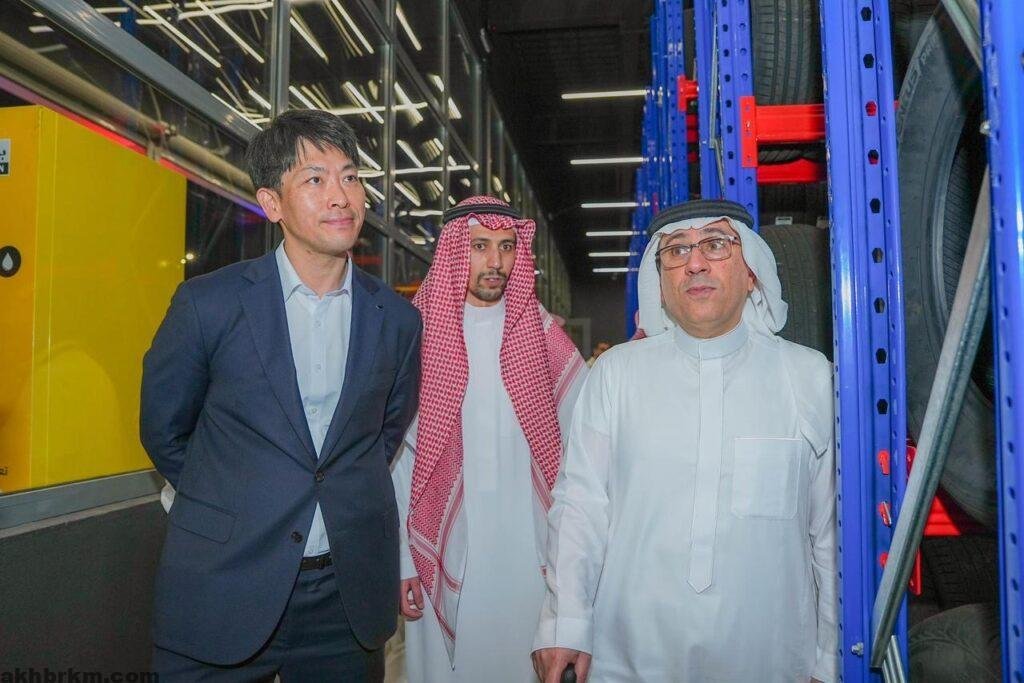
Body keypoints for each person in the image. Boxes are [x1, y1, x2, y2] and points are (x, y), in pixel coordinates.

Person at [141, 109, 422, 680]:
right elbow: (164, 430)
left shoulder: (396, 320)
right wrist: (233, 497)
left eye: (350, 177)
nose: (341, 196)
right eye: (315, 179)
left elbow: (382, 435)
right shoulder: (209, 305)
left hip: (344, 597)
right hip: (225, 579)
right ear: (272, 204)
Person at [532, 199, 838, 682]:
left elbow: (830, 533)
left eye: (715, 244)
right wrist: (565, 622)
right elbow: (580, 507)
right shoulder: (616, 374)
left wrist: (830, 657)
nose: (695, 263)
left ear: (752, 273)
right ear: (660, 281)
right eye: (676, 250)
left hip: (770, 659)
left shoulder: (808, 377)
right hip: (630, 656)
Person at [391, 196, 587, 682]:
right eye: (480, 246)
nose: (496, 261)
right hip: (440, 542)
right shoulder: (413, 336)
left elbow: (587, 445)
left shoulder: (543, 336)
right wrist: (402, 558)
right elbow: (396, 463)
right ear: (455, 251)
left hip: (529, 552)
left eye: (506, 246)